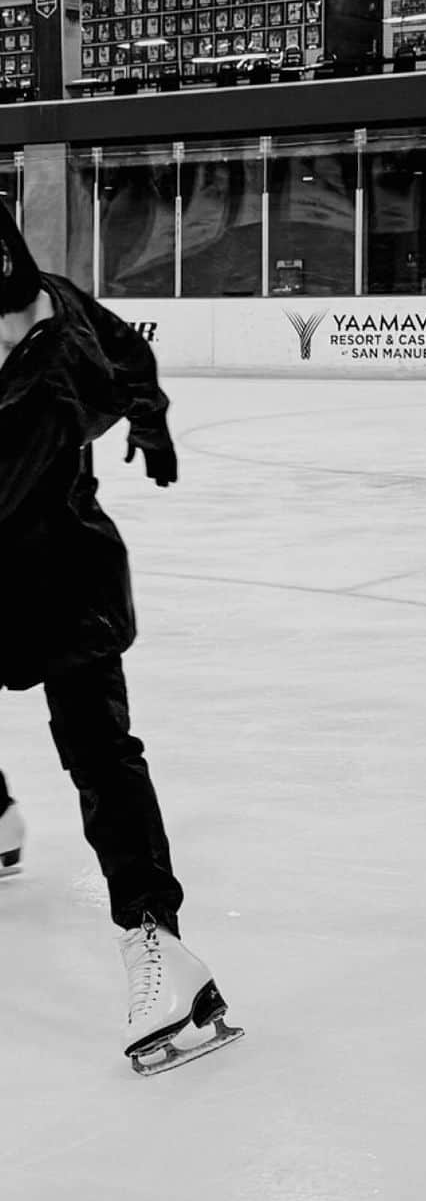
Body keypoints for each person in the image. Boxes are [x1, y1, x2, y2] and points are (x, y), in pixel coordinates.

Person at [0, 205, 241, 1075]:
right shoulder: (60, 309)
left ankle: (158, 945)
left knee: (99, 754)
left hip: (64, 582)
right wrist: (147, 415)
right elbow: (131, 355)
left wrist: (142, 412)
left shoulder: (51, 346)